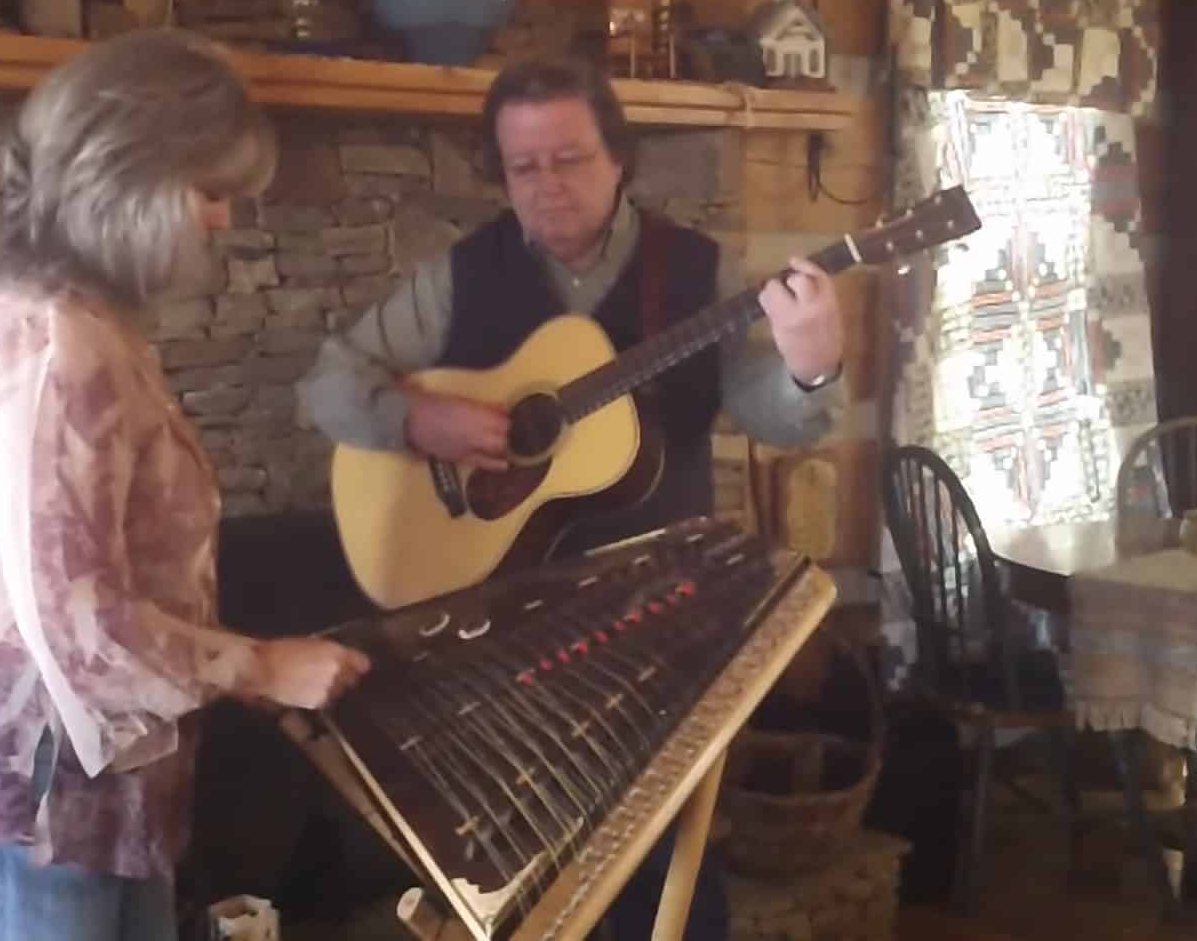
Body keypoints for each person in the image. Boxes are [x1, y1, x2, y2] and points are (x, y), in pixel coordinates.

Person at [296, 57, 847, 939]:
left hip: (656, 626)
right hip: (493, 631)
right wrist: (415, 418)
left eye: (570, 159)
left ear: (617, 158)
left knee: (662, 870)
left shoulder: (700, 273)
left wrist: (811, 361)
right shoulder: (462, 275)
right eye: (524, 168)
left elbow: (777, 419)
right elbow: (326, 386)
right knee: (518, 871)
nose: (547, 186)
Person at [0, 29, 371, 941]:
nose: (222, 220)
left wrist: (221, 668)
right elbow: (72, 618)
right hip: (21, 806)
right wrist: (260, 663)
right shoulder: (53, 346)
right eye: (209, 192)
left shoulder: (69, 321)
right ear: (126, 179)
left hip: (82, 799)